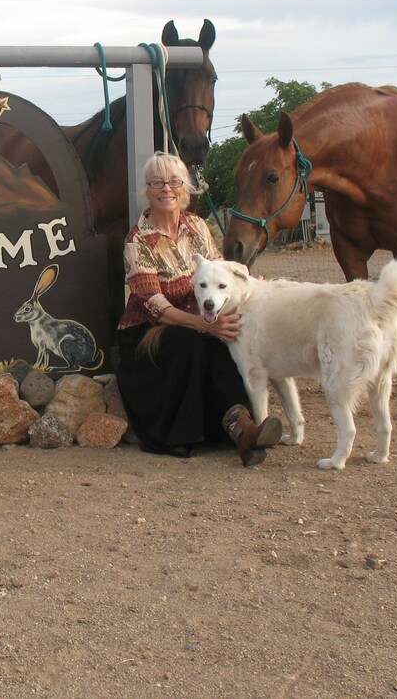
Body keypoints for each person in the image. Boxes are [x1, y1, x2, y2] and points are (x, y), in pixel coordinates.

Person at [115, 152, 283, 466]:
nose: (167, 188)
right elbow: (156, 306)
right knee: (191, 342)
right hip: (147, 333)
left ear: (185, 188)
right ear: (148, 191)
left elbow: (219, 274)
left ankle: (244, 430)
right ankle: (178, 435)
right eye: (157, 182)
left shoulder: (196, 226)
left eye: (174, 181)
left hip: (199, 321)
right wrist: (206, 326)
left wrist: (247, 286)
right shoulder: (138, 240)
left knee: (226, 345)